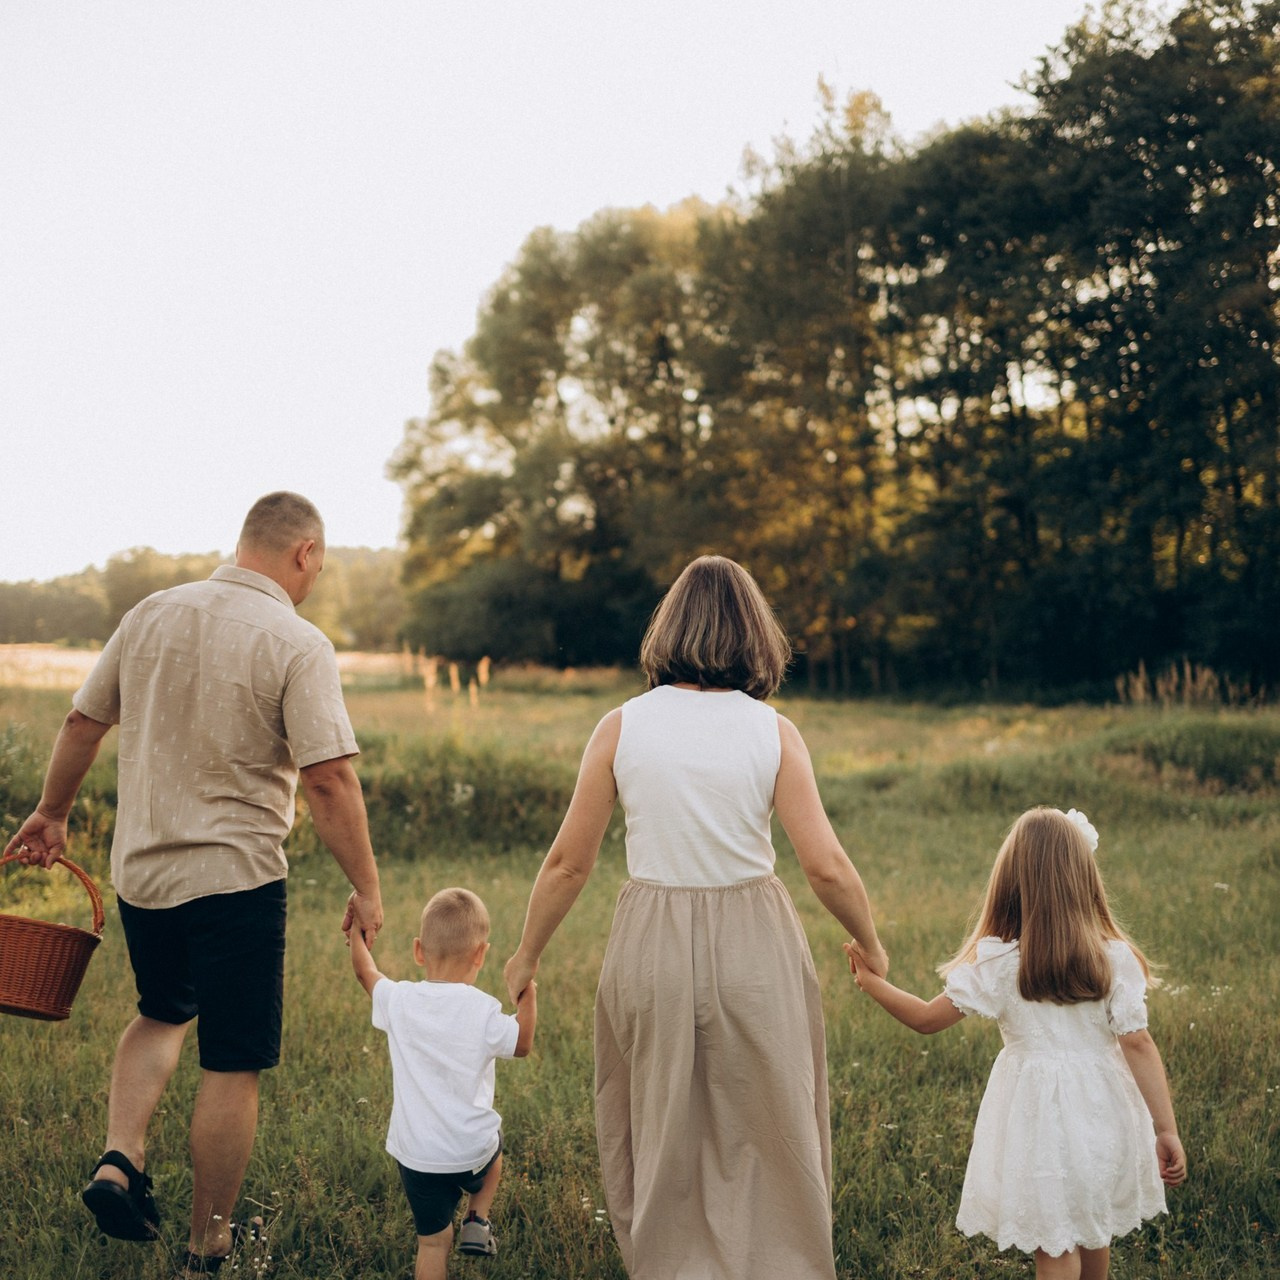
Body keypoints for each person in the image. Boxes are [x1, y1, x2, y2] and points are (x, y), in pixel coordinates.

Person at [3, 491, 383, 1276]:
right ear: (304, 553)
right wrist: (368, 888)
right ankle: (206, 1246)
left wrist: (52, 812)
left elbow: (82, 722)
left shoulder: (151, 613)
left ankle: (120, 1159)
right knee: (232, 1060)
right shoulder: (297, 640)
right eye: (319, 565)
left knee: (161, 1010)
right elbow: (329, 780)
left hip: (143, 872)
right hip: (234, 878)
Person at [503, 554, 888, 1280]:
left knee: (658, 1118)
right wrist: (870, 942)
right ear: (755, 634)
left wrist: (526, 954)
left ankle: (672, 1262)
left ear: (669, 630)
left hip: (652, 940)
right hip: (756, 938)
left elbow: (567, 864)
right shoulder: (774, 732)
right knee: (771, 1118)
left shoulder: (620, 726)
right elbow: (827, 866)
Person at [845, 806, 1186, 1280]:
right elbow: (1139, 1044)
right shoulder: (1114, 958)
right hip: (1101, 1113)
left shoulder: (1000, 964)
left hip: (1037, 1119)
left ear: (1010, 883)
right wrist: (1165, 1129)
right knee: (1093, 1229)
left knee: (1055, 1239)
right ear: (1085, 880)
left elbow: (925, 1018)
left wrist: (872, 983)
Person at [347, 887, 536, 1280]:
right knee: (495, 1143)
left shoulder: (399, 1000)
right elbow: (522, 1043)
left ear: (418, 950)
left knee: (432, 1243)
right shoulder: (483, 1010)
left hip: (417, 1156)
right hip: (472, 1151)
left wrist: (357, 935)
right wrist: (527, 993)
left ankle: (448, 1240)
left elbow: (366, 972)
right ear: (481, 954)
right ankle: (477, 1218)